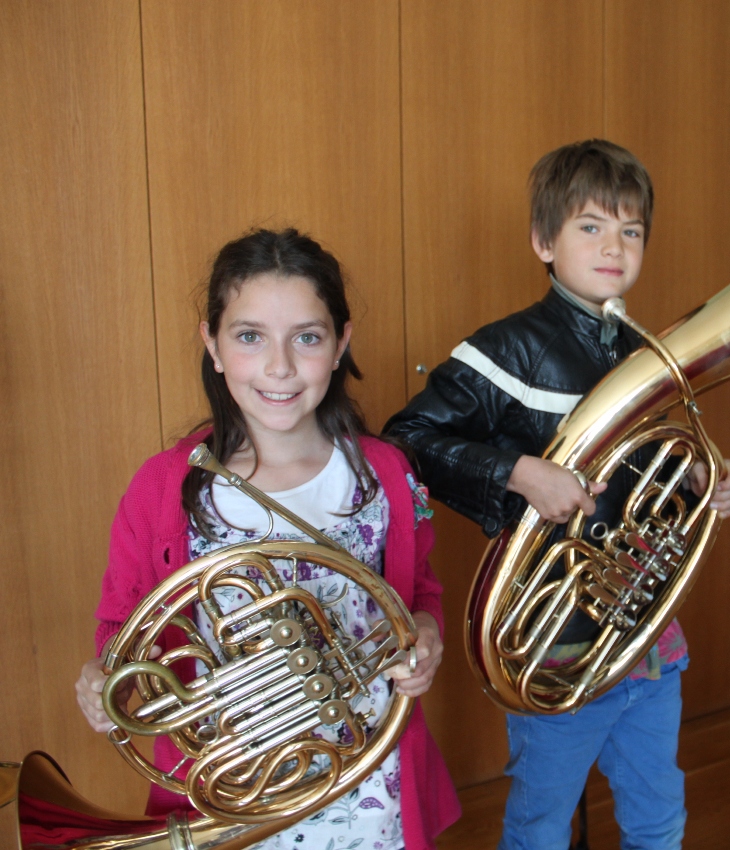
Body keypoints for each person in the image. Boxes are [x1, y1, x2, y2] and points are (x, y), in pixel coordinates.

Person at [384, 138, 730, 850]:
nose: (614, 246)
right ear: (543, 242)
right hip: (552, 644)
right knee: (541, 825)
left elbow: (655, 468)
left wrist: (703, 481)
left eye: (631, 231)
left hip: (648, 635)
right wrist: (519, 472)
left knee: (659, 816)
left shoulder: (648, 353)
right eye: (591, 226)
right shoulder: (506, 349)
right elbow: (405, 442)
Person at [74, 228, 461, 850]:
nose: (279, 367)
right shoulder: (164, 487)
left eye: (307, 337)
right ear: (213, 344)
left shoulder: (386, 474)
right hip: (232, 795)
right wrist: (103, 680)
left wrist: (426, 634)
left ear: (340, 344)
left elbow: (420, 594)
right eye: (250, 337)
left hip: (368, 787)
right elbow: (121, 628)